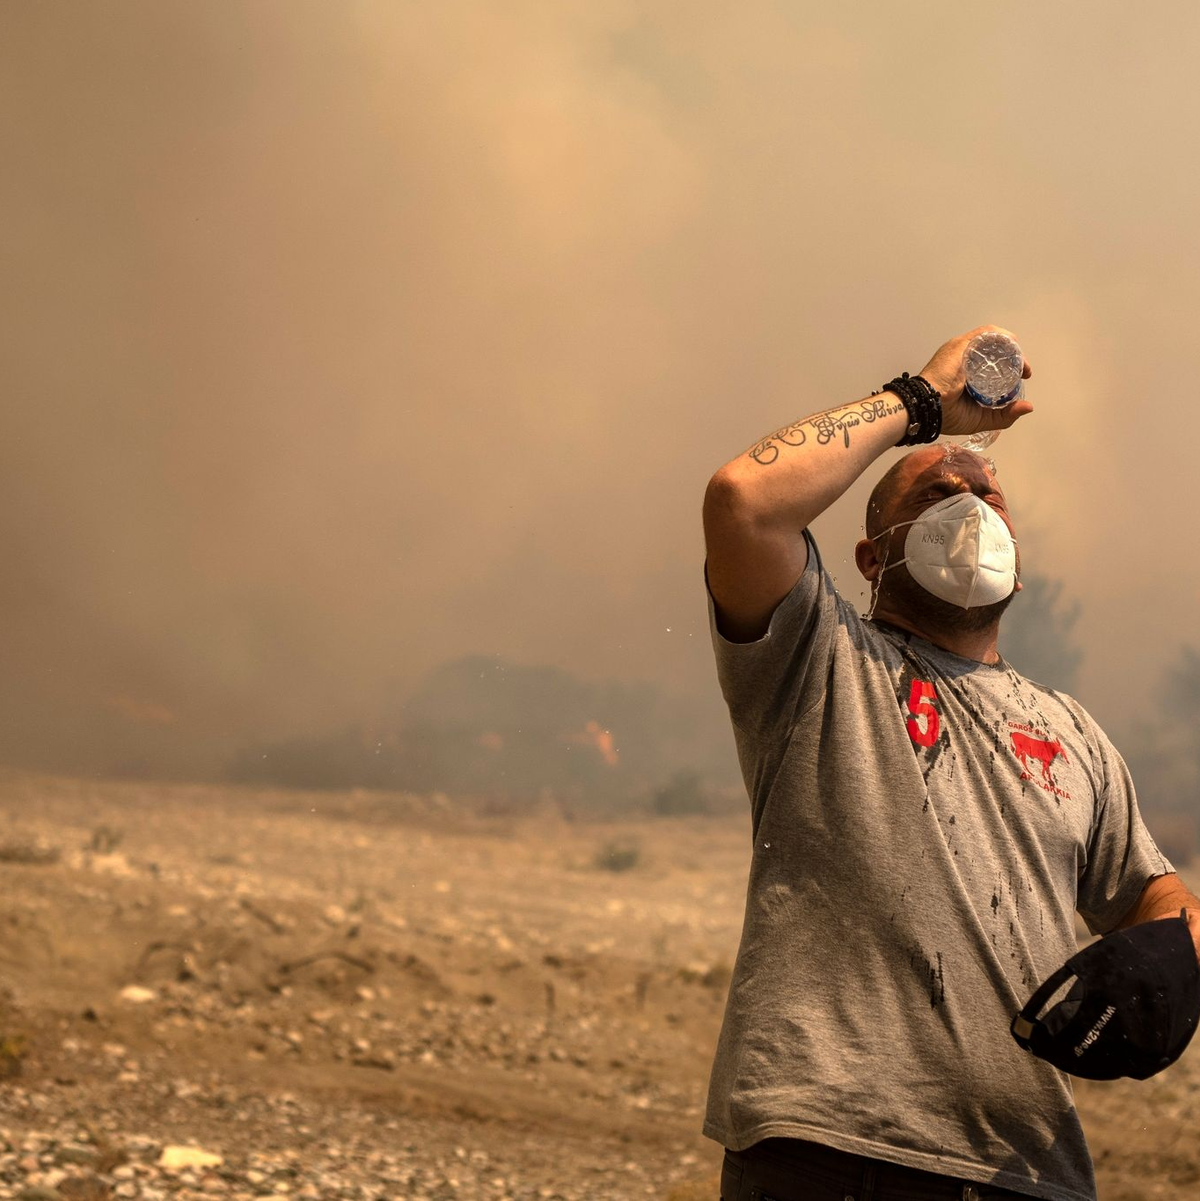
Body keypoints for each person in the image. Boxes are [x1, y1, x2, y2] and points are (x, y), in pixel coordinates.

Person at [700, 325, 1200, 1201]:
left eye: (987, 494)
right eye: (936, 490)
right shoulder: (819, 662)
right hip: (828, 1151)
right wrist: (921, 407)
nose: (969, 499)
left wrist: (1177, 953)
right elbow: (743, 499)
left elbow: (1151, 891)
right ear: (870, 556)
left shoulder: (1073, 732)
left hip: (1024, 1170)